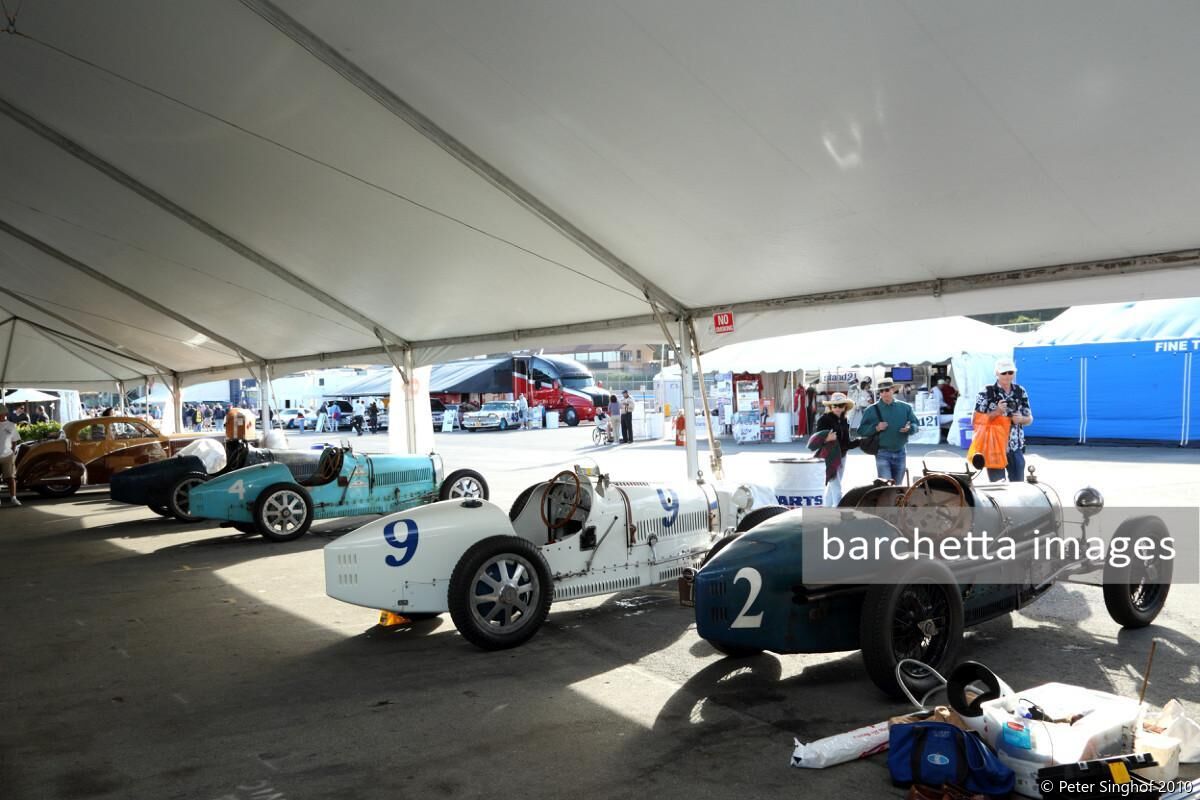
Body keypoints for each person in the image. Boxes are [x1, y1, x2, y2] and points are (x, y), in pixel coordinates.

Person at [974, 359, 1033, 482]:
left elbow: (1029, 419)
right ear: (997, 373)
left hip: (1015, 448)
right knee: (998, 487)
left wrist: (1021, 419)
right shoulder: (986, 392)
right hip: (994, 448)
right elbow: (975, 420)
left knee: (1018, 487)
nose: (1007, 375)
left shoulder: (1020, 391)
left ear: (1014, 373)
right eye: (1003, 372)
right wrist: (997, 411)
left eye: (1010, 372)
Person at [857, 379, 919, 484]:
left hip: (900, 452)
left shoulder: (905, 407)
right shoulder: (871, 410)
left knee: (898, 486)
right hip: (882, 453)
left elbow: (916, 424)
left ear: (893, 390)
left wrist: (910, 428)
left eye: (887, 390)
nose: (884, 393)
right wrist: (876, 428)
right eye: (881, 391)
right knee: (886, 487)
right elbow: (861, 430)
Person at [811, 392, 859, 506]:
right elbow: (816, 441)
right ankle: (838, 511)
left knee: (833, 486)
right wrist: (826, 438)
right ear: (830, 406)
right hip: (829, 457)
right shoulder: (824, 420)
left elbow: (846, 443)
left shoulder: (845, 420)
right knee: (837, 487)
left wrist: (861, 441)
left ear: (845, 407)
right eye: (835, 405)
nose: (837, 408)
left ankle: (827, 509)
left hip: (842, 457)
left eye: (841, 405)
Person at [1, 405, 21, 506]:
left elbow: (14, 441)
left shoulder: (11, 425)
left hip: (8, 456)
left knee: (10, 478)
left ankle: (13, 498)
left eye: (2, 413)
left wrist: (12, 453)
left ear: (5, 413)